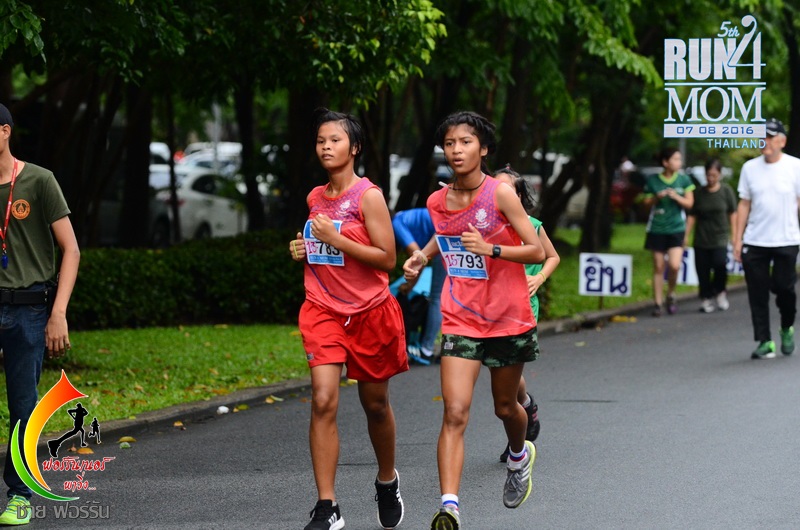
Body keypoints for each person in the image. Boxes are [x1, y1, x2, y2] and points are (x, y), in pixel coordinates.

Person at [403, 111, 545, 530]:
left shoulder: (500, 194)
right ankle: (450, 507)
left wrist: (491, 249)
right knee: (454, 412)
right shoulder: (436, 201)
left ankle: (519, 455)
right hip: (460, 316)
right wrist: (421, 256)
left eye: (465, 142)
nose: (456, 150)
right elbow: (446, 234)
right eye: (449, 143)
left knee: (506, 407)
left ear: (483, 149)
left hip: (507, 317)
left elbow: (536, 250)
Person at [289, 109, 408, 530]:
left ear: (354, 147)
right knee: (323, 399)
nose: (326, 147)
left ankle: (387, 480)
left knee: (375, 406)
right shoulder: (314, 197)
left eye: (335, 140)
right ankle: (328, 506)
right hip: (322, 309)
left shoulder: (368, 196)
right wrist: (303, 248)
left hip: (370, 312)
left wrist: (336, 239)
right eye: (321, 140)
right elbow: (321, 246)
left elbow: (387, 258)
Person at [0, 103, 80, 526]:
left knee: (23, 407)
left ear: (5, 132)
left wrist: (58, 313)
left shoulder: (39, 180)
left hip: (29, 309)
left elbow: (71, 249)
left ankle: (20, 496)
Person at [493, 166, 560, 463]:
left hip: (522, 309)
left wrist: (539, 278)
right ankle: (526, 404)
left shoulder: (532, 225)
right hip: (490, 310)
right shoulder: (486, 227)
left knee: (506, 378)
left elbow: (553, 256)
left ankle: (515, 443)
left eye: (506, 189)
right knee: (503, 375)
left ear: (519, 196)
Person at [733, 118, 800, 360]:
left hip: (786, 239)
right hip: (755, 240)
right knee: (757, 292)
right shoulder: (749, 168)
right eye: (762, 137)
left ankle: (786, 327)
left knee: (785, 289)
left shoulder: (795, 166)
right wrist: (737, 239)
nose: (765, 142)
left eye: (770, 137)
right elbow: (744, 204)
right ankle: (764, 341)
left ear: (782, 141)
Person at [641, 147, 695, 316]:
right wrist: (657, 197)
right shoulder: (653, 181)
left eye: (679, 159)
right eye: (675, 159)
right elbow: (645, 204)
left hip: (677, 228)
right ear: (665, 162)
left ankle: (671, 294)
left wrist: (676, 197)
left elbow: (690, 204)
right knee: (658, 266)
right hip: (657, 228)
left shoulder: (684, 180)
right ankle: (657, 303)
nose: (679, 162)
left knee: (674, 265)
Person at [392, 207, 445, 364]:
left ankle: (426, 349)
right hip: (444, 234)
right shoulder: (404, 217)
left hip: (444, 237)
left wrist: (409, 286)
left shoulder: (397, 223)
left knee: (437, 297)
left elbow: (419, 258)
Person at [684, 159, 737, 313]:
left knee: (720, 264)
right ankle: (705, 297)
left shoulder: (726, 191)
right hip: (702, 237)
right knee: (702, 270)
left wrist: (735, 235)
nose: (711, 178)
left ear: (719, 174)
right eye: (708, 175)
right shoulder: (699, 193)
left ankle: (720, 291)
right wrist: (686, 235)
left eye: (714, 175)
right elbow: (692, 215)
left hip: (720, 236)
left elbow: (733, 213)